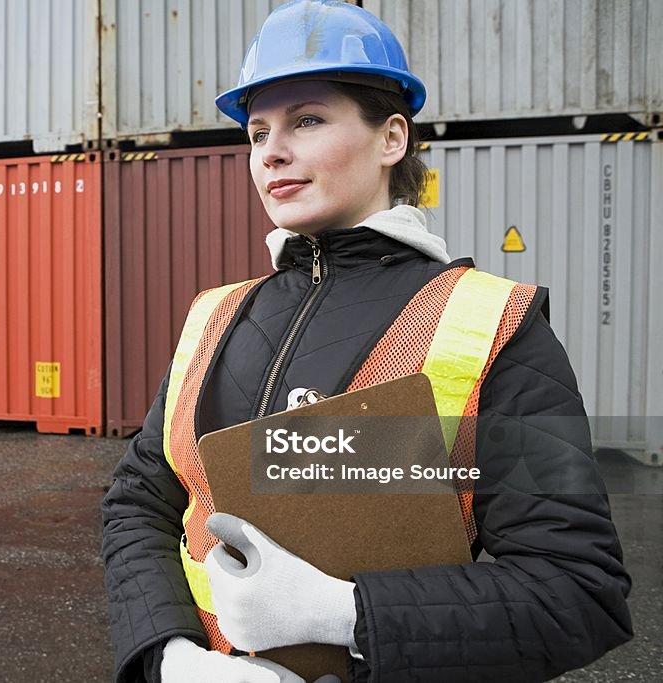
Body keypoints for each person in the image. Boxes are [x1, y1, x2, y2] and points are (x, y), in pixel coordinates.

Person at [101, 1, 633, 681]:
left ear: (391, 139)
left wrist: (344, 613)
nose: (272, 153)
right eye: (258, 132)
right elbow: (139, 501)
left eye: (308, 121)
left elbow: (578, 592)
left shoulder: (492, 325)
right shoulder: (214, 316)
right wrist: (171, 657)